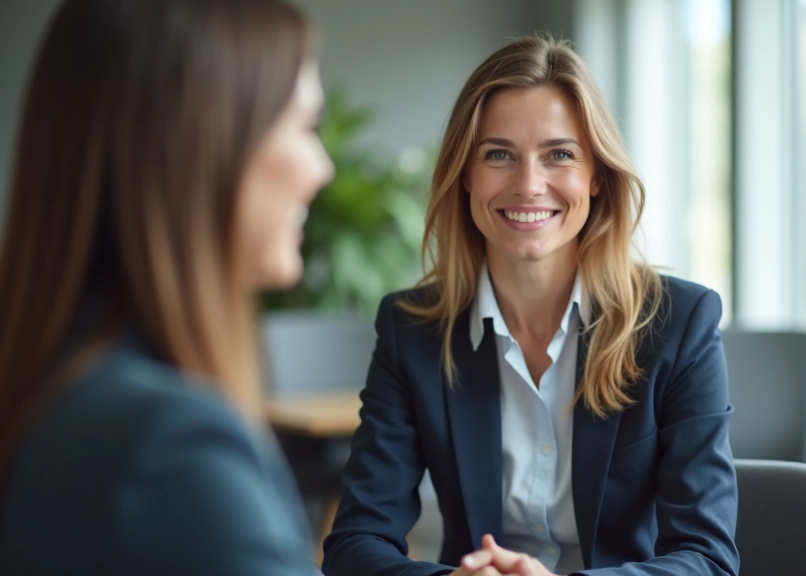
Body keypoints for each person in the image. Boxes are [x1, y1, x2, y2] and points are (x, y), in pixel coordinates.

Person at [322, 35, 739, 576]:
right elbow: (355, 543)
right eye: (499, 154)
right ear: (465, 175)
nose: (528, 184)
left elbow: (708, 559)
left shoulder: (678, 324)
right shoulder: (413, 330)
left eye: (559, 155)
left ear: (596, 178)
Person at [0, 0, 334, 574]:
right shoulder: (173, 449)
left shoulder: (57, 387)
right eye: (305, 126)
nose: (321, 167)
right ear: (203, 141)